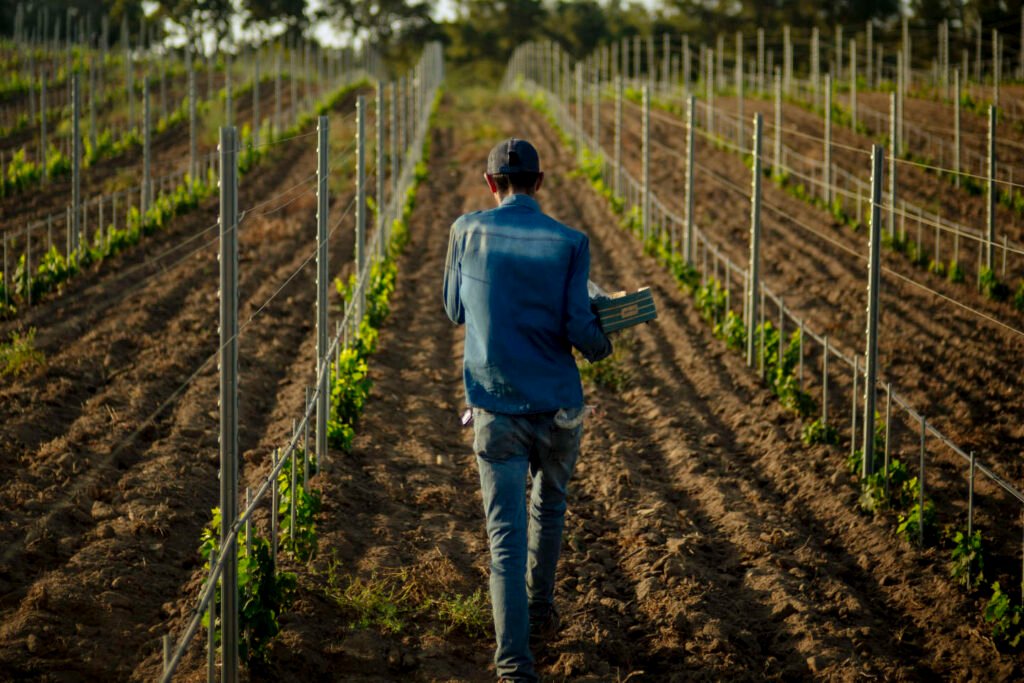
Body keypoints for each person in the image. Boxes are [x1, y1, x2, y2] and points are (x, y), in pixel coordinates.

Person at [443, 138, 612, 682]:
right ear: (539, 183)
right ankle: (539, 610)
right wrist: (604, 330)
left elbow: (453, 308)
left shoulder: (465, 231)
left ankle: (515, 665)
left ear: (491, 184)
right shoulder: (570, 242)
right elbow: (581, 331)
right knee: (551, 507)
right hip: (560, 407)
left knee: (505, 538)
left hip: (496, 408)